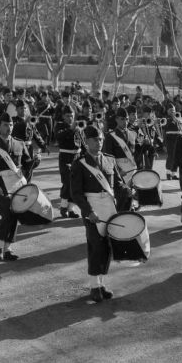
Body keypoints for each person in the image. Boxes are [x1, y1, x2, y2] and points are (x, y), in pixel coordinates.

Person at [71, 126, 133, 303]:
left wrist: (128, 192)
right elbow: (76, 193)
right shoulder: (80, 163)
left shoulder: (109, 160)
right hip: (92, 209)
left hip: (109, 207)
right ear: (86, 141)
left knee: (106, 247)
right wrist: (88, 211)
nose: (98, 142)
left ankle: (102, 283)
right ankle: (93, 286)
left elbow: (118, 184)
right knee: (95, 246)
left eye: (100, 139)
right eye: (94, 140)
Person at [0, 113, 40, 261]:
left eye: (11, 125)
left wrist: (36, 161)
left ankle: (7, 249)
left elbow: (27, 164)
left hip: (19, 185)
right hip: (3, 186)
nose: (9, 128)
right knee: (7, 217)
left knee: (15, 216)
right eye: (6, 125)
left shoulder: (19, 143)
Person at [102, 108, 139, 185]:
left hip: (133, 170)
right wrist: (118, 171)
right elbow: (108, 157)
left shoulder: (133, 133)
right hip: (120, 172)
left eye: (127, 119)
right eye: (122, 119)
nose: (125, 122)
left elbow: (137, 152)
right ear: (116, 119)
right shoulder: (110, 136)